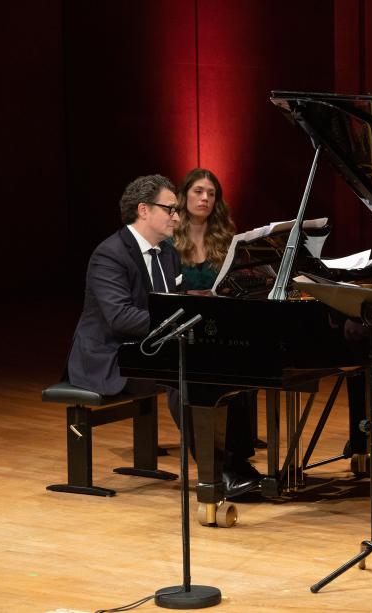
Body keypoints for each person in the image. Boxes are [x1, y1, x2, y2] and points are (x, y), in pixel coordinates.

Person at [173, 168, 261, 495]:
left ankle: (238, 463)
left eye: (211, 193)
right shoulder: (169, 240)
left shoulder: (225, 239)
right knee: (184, 390)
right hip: (180, 331)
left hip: (216, 328)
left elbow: (241, 282)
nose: (205, 198)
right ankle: (217, 470)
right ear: (184, 196)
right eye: (198, 191)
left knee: (240, 376)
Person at [68, 174, 182, 397]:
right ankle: (195, 434)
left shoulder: (169, 254)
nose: (176, 218)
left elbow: (175, 302)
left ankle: (230, 434)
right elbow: (120, 317)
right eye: (170, 209)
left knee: (219, 364)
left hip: (149, 348)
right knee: (187, 372)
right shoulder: (110, 254)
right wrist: (176, 326)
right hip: (110, 357)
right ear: (143, 210)